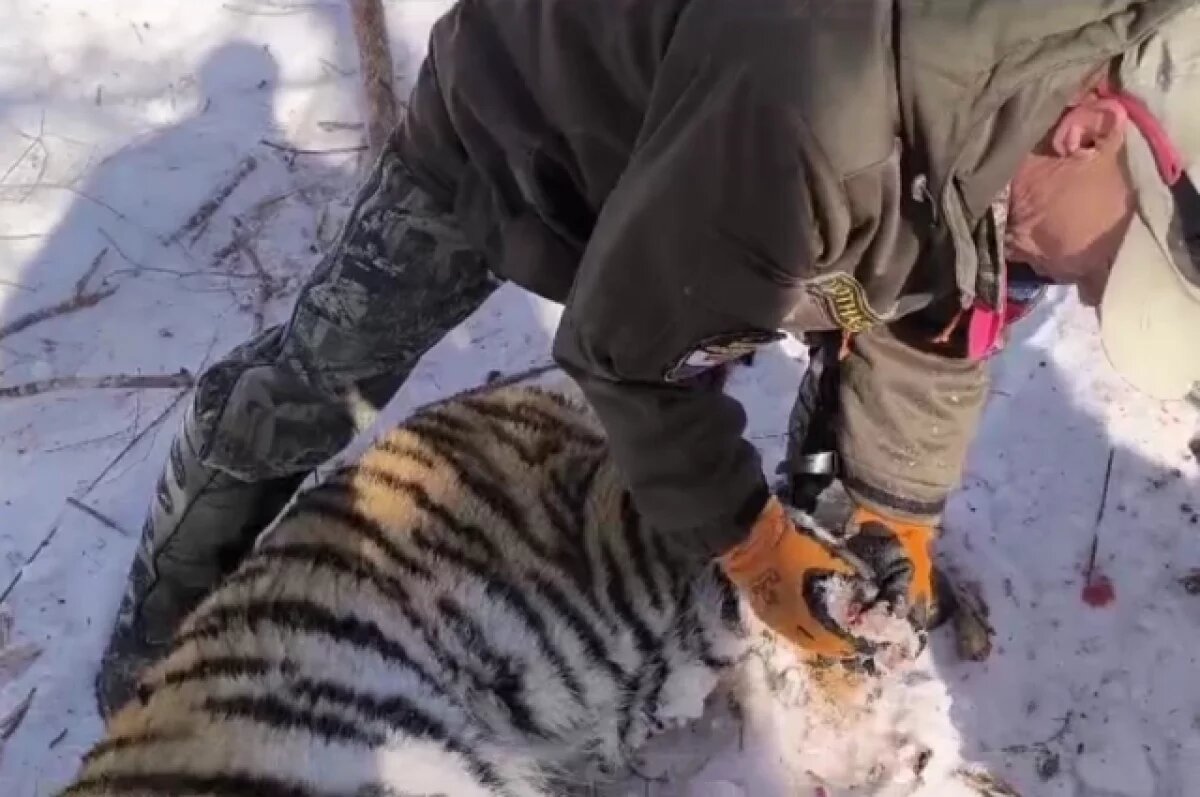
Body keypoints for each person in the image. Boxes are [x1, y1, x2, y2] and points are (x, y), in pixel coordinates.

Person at [94, 0, 1200, 717]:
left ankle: (819, 546)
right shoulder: (817, 113)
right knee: (318, 380)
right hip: (522, 129)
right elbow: (630, 355)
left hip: (738, 183)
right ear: (1089, 128)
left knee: (854, 310)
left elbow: (945, 297)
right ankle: (155, 644)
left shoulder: (1068, 83)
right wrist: (753, 547)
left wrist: (898, 508)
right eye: (1106, 266)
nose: (1088, 292)